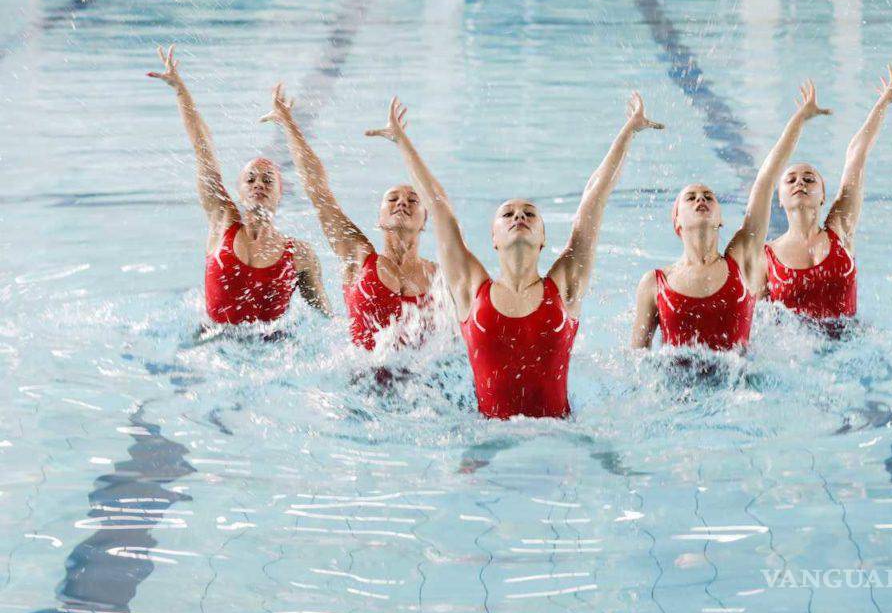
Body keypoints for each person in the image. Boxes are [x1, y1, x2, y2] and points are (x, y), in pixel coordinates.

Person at [366, 93, 663, 418]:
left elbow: (595, 196)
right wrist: (401, 141)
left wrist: (628, 131)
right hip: (487, 436)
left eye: (529, 214)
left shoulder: (565, 286)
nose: (519, 216)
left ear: (543, 238)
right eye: (507, 214)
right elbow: (438, 205)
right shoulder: (470, 289)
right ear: (494, 238)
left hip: (559, 436)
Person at [631, 81, 831, 351]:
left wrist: (799, 119)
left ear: (721, 219)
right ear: (676, 221)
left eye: (708, 196)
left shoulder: (742, 261)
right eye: (691, 198)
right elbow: (638, 359)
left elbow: (765, 180)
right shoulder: (654, 284)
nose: (701, 199)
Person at [147, 46, 330, 325]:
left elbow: (327, 319)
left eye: (268, 180)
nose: (259, 184)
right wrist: (180, 91)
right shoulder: (222, 223)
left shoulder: (300, 255)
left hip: (274, 345)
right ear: (239, 191)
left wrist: (290, 125)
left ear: (280, 193)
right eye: (250, 179)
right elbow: (203, 149)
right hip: (212, 340)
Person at [260, 84, 437, 350]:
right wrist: (289, 123)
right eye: (392, 199)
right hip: (358, 374)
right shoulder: (358, 257)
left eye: (413, 200)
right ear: (379, 219)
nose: (402, 202)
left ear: (425, 220)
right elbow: (319, 192)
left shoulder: (438, 278)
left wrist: (404, 144)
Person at [765, 66, 892, 325]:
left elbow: (856, 153)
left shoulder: (840, 229)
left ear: (823, 196)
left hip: (851, 342)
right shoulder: (766, 257)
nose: (800, 183)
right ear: (780, 198)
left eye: (809, 179)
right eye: (791, 179)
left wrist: (883, 103)